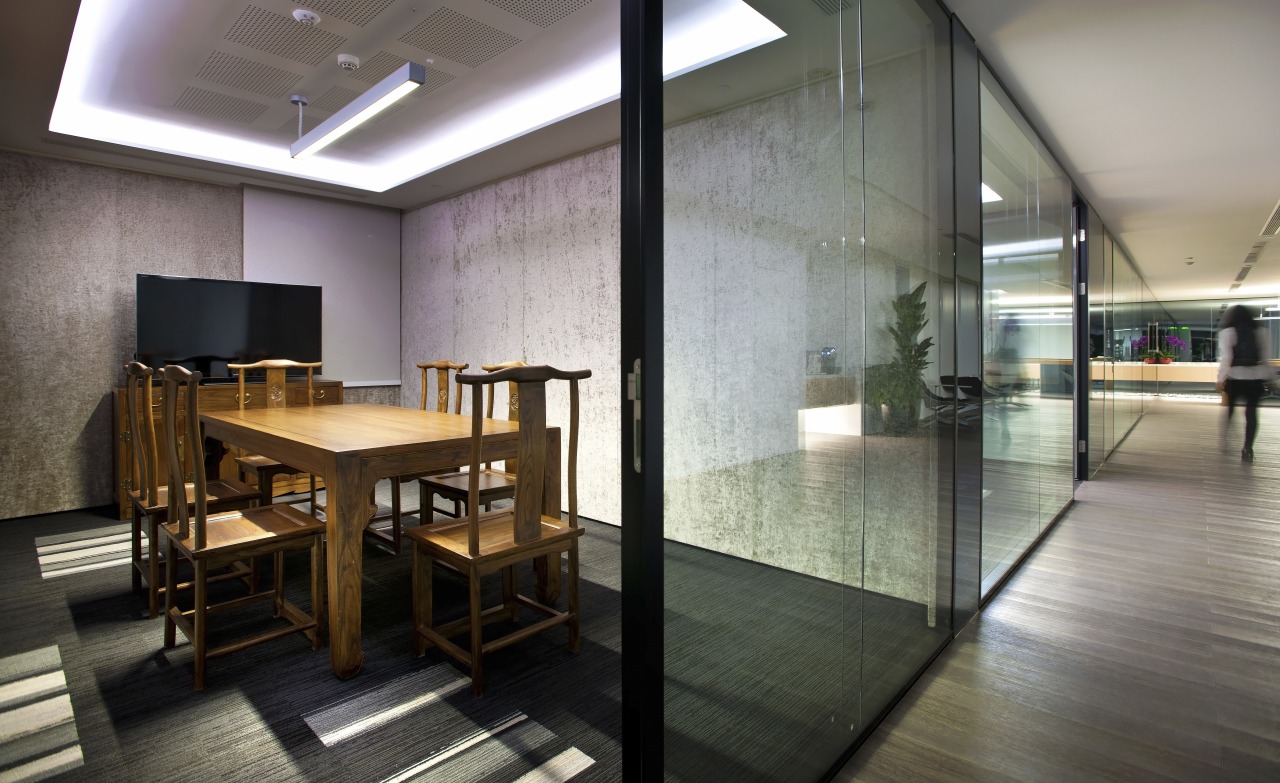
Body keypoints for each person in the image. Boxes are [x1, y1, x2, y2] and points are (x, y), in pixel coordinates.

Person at [1217, 305, 1276, 461]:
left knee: (1230, 410)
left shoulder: (1228, 332)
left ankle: (1225, 440)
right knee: (1251, 414)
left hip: (1235, 377)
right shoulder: (1261, 332)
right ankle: (1247, 447)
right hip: (1255, 377)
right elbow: (1265, 357)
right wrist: (1271, 378)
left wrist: (1221, 378)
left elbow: (1226, 358)